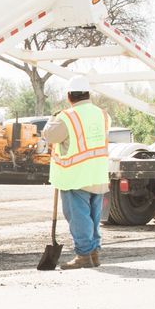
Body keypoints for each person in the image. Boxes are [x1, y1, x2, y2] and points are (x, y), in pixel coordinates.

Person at [43, 85, 110, 269]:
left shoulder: (67, 117)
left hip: (76, 175)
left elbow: (50, 136)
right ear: (88, 94)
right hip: (97, 173)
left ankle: (83, 255)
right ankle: (94, 253)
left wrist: (52, 119)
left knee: (78, 216)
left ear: (69, 96)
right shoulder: (102, 114)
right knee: (93, 217)